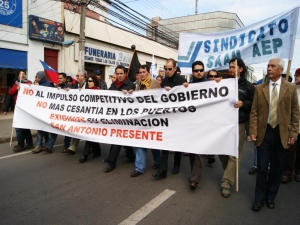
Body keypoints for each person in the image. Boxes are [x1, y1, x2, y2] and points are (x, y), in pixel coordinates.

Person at [250, 58, 299, 211]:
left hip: (282, 133)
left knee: (277, 168)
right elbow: (254, 112)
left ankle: (270, 197)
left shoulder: (290, 88)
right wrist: (253, 131)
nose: (269, 68)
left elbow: (295, 113)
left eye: (273, 66)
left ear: (280, 70)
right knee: (263, 167)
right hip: (264, 133)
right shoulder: (260, 88)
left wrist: (293, 132)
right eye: (268, 65)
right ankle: (259, 199)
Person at [219, 58, 255, 198]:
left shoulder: (248, 86)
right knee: (222, 151)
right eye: (230, 67)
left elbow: (253, 104)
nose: (231, 69)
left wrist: (244, 104)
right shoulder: (223, 83)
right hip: (224, 123)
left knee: (234, 154)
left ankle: (226, 183)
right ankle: (230, 171)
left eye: (234, 67)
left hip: (239, 123)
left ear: (241, 69)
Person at [152, 58, 188, 179]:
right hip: (167, 117)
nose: (167, 71)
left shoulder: (182, 80)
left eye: (169, 69)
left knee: (177, 142)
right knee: (165, 143)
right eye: (165, 69)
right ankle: (163, 169)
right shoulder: (164, 81)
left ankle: (176, 164)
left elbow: (187, 97)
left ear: (175, 68)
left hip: (179, 117)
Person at [130, 65, 161, 177]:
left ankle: (158, 161)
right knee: (141, 142)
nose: (142, 74)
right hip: (141, 119)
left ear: (148, 72)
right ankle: (139, 167)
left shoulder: (155, 84)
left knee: (153, 142)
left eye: (144, 72)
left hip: (152, 119)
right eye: (140, 72)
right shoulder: (137, 85)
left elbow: (159, 100)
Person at [105, 65, 136, 172]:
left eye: (121, 73)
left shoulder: (131, 85)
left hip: (126, 118)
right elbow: (106, 96)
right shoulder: (113, 85)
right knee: (123, 139)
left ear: (125, 74)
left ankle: (111, 162)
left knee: (117, 138)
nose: (119, 76)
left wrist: (131, 94)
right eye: (117, 74)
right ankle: (132, 156)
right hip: (115, 116)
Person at [186, 61, 209, 189]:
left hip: (205, 123)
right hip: (192, 123)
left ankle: (194, 178)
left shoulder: (211, 85)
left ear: (204, 71)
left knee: (201, 152)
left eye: (200, 70)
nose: (198, 72)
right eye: (196, 71)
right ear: (193, 72)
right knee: (192, 151)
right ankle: (194, 173)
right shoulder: (188, 86)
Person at [281, 68, 300, 183]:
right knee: (290, 150)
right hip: (292, 126)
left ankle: (298, 171)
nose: (296, 77)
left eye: (298, 75)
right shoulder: (291, 88)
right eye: (295, 75)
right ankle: (287, 172)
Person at [78, 74, 102, 163]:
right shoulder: (87, 91)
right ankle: (97, 151)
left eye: (90, 81)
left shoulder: (99, 91)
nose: (88, 83)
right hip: (88, 117)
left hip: (95, 118)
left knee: (89, 135)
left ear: (95, 82)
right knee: (92, 135)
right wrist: (79, 92)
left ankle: (85, 155)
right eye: (88, 81)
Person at [9, 71, 34, 152]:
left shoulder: (29, 83)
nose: (22, 75)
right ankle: (27, 143)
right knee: (21, 127)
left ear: (25, 76)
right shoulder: (16, 84)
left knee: (21, 128)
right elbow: (11, 92)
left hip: (25, 109)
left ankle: (21, 145)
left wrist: (28, 87)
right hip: (18, 109)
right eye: (21, 74)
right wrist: (16, 89)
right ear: (18, 76)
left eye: (23, 74)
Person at [64, 70, 88, 155]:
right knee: (76, 128)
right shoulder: (74, 86)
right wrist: (64, 90)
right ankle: (72, 147)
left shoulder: (89, 85)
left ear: (84, 77)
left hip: (87, 112)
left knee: (89, 130)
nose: (77, 77)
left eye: (78, 75)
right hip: (77, 112)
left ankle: (93, 148)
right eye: (76, 75)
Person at [31, 71, 53, 154]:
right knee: (41, 128)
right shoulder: (36, 84)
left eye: (36, 77)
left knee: (41, 128)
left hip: (46, 110)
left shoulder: (48, 85)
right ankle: (45, 144)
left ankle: (39, 146)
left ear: (39, 77)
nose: (35, 78)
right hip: (39, 110)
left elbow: (48, 95)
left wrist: (38, 87)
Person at [206, 69, 221, 165]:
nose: (213, 78)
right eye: (211, 76)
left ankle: (211, 155)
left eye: (215, 76)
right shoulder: (201, 87)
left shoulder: (222, 87)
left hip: (216, 118)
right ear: (208, 78)